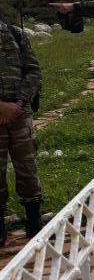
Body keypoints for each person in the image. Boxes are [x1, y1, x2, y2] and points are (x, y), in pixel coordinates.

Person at [0, 19, 43, 245]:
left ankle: (34, 220)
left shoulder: (15, 34)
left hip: (20, 114)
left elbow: (34, 72)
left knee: (27, 167)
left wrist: (17, 105)